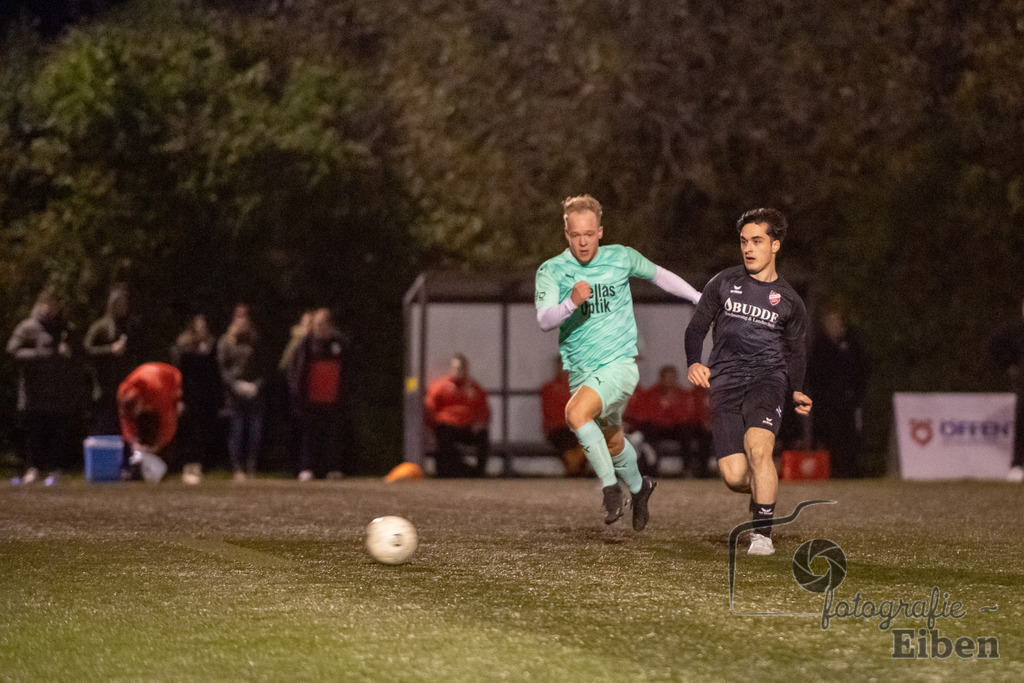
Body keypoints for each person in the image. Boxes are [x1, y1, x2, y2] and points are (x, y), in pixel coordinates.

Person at [535, 194, 701, 530]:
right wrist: (570, 303)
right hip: (582, 370)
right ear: (566, 234)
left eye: (589, 233)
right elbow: (544, 319)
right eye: (575, 235)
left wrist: (698, 297)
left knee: (575, 414)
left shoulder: (620, 257)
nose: (582, 241)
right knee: (611, 441)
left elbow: (659, 275)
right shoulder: (552, 270)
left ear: (600, 232)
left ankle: (611, 489)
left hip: (619, 365)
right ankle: (640, 488)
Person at [684, 207, 812, 556]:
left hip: (767, 380)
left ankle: (762, 535)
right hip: (724, 383)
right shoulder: (723, 283)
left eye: (757, 241)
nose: (749, 248)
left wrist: (797, 388)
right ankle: (762, 491)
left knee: (760, 450)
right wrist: (695, 361)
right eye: (744, 241)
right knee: (735, 475)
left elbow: (796, 351)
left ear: (775, 246)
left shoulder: (789, 300)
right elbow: (696, 328)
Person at [7, 290, 76, 486]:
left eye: (55, 305)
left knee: (57, 433)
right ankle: (33, 469)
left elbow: (80, 352)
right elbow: (12, 350)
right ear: (40, 304)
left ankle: (56, 470)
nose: (52, 309)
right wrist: (38, 354)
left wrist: (69, 351)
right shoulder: (28, 327)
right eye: (49, 304)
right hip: (33, 394)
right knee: (34, 434)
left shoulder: (63, 329)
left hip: (57, 393)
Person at [807, 305, 869, 479]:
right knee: (826, 435)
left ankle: (849, 470)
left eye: (835, 321)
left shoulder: (852, 343)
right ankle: (828, 470)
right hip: (825, 402)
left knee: (848, 435)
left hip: (847, 401)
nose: (831, 325)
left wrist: (855, 394)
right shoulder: (820, 345)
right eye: (828, 321)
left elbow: (861, 370)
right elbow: (813, 373)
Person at [288, 308, 349, 481]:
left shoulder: (339, 342)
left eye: (323, 324)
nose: (320, 328)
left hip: (332, 398)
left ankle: (333, 468)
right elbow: (298, 370)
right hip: (311, 398)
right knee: (309, 436)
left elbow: (347, 371)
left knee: (332, 435)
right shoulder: (306, 343)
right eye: (317, 325)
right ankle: (306, 468)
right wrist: (299, 395)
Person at [626, 365, 712, 478]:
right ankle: (650, 470)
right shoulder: (650, 394)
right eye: (667, 378)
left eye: (672, 378)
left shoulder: (683, 394)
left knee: (690, 432)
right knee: (648, 432)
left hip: (677, 428)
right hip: (658, 427)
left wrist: (670, 415)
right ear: (661, 379)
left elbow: (686, 416)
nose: (669, 381)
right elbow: (647, 416)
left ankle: (690, 470)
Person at [217, 304, 266, 481]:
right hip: (235, 395)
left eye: (245, 317)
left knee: (254, 432)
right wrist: (236, 385)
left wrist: (256, 386)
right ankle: (237, 468)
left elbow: (263, 369)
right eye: (239, 317)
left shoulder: (255, 340)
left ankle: (251, 466)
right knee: (237, 432)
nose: (242, 320)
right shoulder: (226, 341)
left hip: (253, 393)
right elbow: (223, 369)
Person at [172, 314, 223, 485]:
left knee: (202, 433)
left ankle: (198, 467)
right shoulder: (184, 348)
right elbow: (179, 375)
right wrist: (179, 399)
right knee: (189, 432)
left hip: (205, 397)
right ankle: (187, 467)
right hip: (189, 396)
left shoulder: (211, 347)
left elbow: (215, 373)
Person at [424, 353, 491, 478]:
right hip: (448, 427)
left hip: (467, 428)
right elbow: (430, 407)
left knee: (483, 435)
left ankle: (479, 473)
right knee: (444, 436)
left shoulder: (473, 387)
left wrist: (480, 423)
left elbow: (484, 409)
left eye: (461, 368)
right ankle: (452, 472)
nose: (458, 371)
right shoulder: (441, 386)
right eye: (455, 368)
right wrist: (435, 424)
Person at [117, 362, 183, 483]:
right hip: (149, 378)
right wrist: (134, 445)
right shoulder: (123, 393)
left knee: (180, 411)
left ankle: (171, 465)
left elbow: (169, 423)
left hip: (170, 379)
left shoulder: (157, 393)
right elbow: (126, 424)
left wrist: (157, 447)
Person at [83, 285, 132, 435]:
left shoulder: (128, 327)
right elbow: (86, 350)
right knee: (105, 429)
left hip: (126, 389)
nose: (123, 307)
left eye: (125, 304)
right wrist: (110, 350)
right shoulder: (101, 326)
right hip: (105, 389)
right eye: (120, 304)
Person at [987, 296, 1024, 483]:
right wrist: (1009, 365)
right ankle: (1018, 465)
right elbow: (993, 344)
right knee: (1022, 424)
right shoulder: (1015, 332)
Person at [539, 360, 586, 477]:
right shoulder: (549, 388)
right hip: (558, 429)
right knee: (567, 439)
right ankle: (575, 470)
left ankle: (574, 469)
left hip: (575, 427)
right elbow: (550, 413)